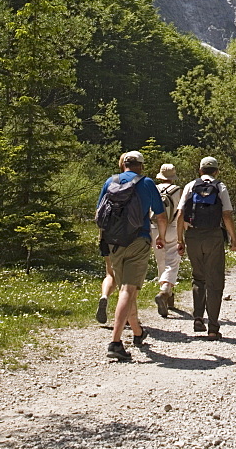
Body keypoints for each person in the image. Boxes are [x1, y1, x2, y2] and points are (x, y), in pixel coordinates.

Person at [96, 150, 167, 362]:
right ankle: (115, 342)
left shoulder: (110, 181)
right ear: (141, 166)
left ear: (123, 164)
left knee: (125, 288)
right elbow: (161, 215)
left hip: (114, 242)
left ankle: (137, 331)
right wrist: (161, 237)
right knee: (129, 289)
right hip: (138, 240)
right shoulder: (146, 183)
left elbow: (98, 214)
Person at [176, 156, 236, 340]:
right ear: (216, 171)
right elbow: (226, 215)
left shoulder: (190, 186)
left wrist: (180, 239)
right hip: (213, 236)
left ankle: (197, 318)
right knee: (215, 280)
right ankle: (213, 327)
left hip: (193, 235)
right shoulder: (220, 186)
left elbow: (180, 214)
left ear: (200, 170)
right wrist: (233, 237)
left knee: (198, 276)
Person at [96, 151, 128, 325]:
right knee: (127, 277)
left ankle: (104, 296)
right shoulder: (139, 183)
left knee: (110, 273)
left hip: (107, 234)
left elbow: (98, 211)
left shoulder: (110, 182)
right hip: (128, 237)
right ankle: (127, 315)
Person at [151, 163, 183, 316]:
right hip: (173, 227)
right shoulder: (178, 190)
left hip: (154, 227)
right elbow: (182, 212)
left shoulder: (153, 189)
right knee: (173, 261)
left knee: (161, 261)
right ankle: (164, 292)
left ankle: (168, 295)